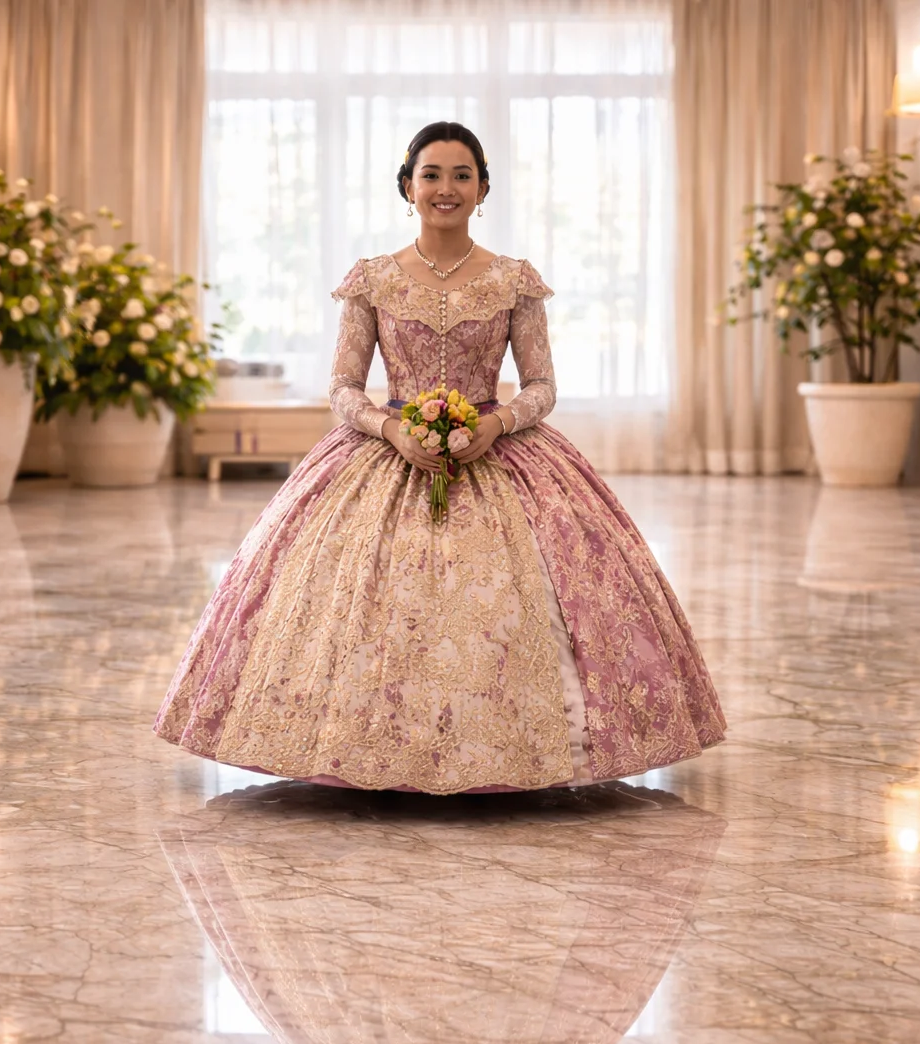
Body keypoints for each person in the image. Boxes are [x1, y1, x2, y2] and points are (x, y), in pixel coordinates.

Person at [155, 122, 725, 794]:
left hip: (497, 450)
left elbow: (543, 386)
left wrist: (500, 422)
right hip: (390, 449)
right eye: (431, 174)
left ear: (483, 188)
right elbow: (341, 387)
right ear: (408, 186)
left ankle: (529, 743)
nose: (445, 188)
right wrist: (390, 429)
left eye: (461, 175)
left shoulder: (514, 281)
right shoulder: (371, 281)